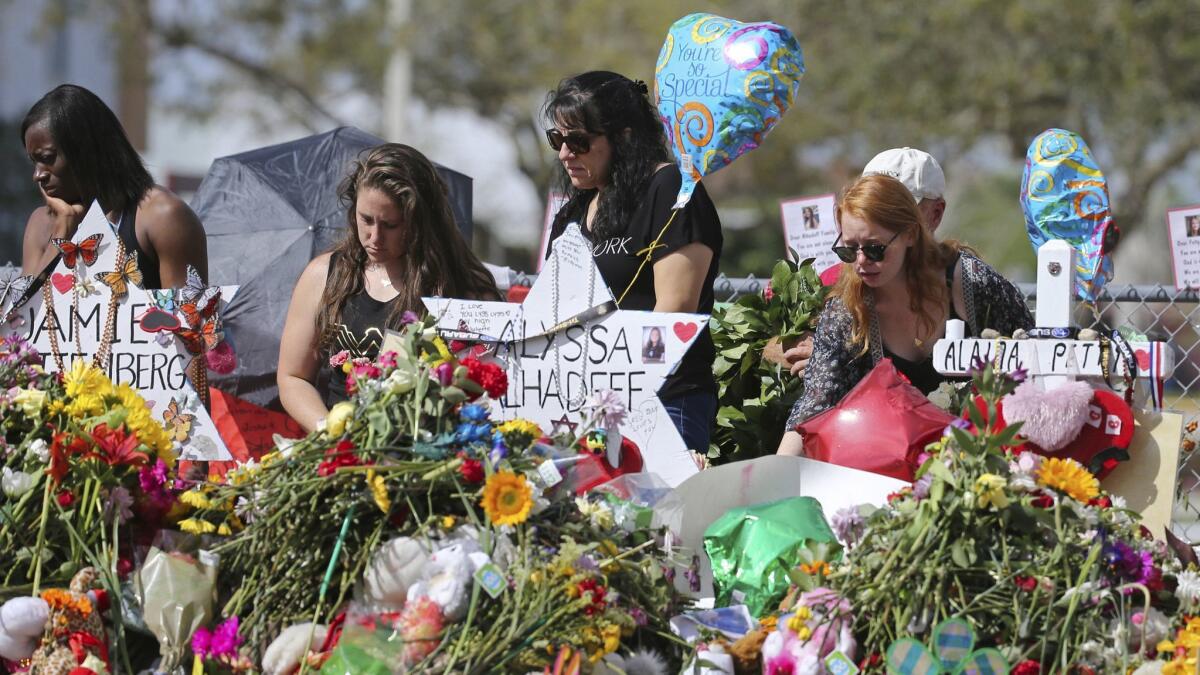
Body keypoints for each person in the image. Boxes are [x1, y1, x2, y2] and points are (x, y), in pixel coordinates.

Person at [777, 174, 1032, 456]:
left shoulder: (972, 284)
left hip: (984, 456)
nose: (861, 262)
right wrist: (778, 479)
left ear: (911, 233)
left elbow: (1032, 365)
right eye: (849, 250)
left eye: (875, 249)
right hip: (892, 462)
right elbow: (814, 408)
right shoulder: (846, 310)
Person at [543, 71, 723, 454]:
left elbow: (673, 312)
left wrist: (619, 388)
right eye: (557, 139)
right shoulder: (572, 212)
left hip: (662, 401)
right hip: (580, 404)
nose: (564, 153)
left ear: (623, 136)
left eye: (578, 140)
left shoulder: (671, 189)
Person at [278, 144, 499, 432]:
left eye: (391, 225)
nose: (374, 237)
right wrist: (327, 430)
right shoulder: (324, 274)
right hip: (341, 454)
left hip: (425, 456)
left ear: (421, 222)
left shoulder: (463, 289)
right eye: (366, 219)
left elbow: (485, 387)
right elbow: (293, 377)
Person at [20, 84, 207, 288]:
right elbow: (20, 317)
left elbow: (187, 317)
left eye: (47, 158)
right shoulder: (41, 224)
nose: (38, 175)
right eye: (34, 162)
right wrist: (61, 233)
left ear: (87, 151)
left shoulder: (162, 217)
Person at [783, 147, 948, 376]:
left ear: (936, 213)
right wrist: (823, 356)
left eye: (899, 208)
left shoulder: (967, 279)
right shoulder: (834, 279)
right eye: (875, 203)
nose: (884, 216)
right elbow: (772, 344)